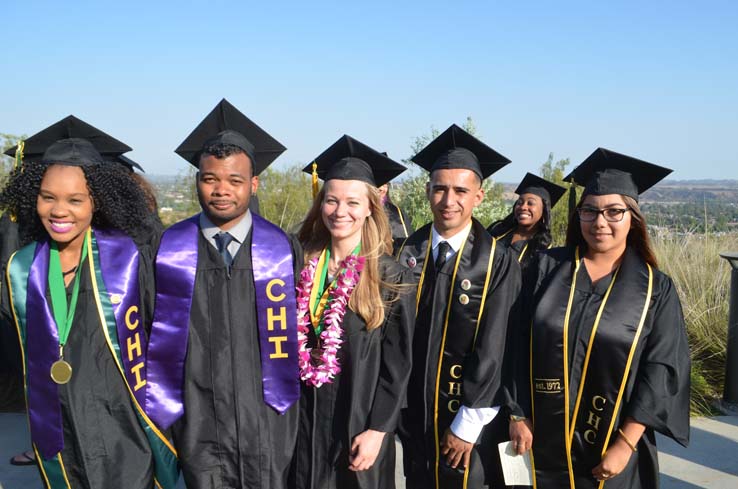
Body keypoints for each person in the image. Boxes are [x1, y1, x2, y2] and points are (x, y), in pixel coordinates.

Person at [0, 120, 176, 488]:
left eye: (75, 200)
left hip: (125, 434)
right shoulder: (22, 271)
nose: (59, 211)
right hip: (60, 434)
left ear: (97, 201)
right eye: (48, 197)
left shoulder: (131, 261)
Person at [144, 99, 302, 489]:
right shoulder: (168, 249)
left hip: (268, 424)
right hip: (198, 424)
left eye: (234, 180)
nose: (221, 190)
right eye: (209, 178)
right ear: (197, 180)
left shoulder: (282, 249)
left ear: (254, 184)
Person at [511, 148, 690, 488]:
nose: (600, 222)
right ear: (578, 216)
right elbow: (514, 345)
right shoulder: (545, 269)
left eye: (614, 211)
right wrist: (517, 414)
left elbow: (663, 368)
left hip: (612, 454)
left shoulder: (655, 289)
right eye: (590, 211)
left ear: (632, 217)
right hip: (538, 446)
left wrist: (625, 443)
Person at [397, 124, 521, 488]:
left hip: (468, 420)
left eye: (460, 191)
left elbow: (496, 347)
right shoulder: (406, 253)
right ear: (427, 191)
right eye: (440, 189)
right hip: (413, 416)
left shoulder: (498, 261)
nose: (448, 200)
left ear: (479, 196)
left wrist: (468, 425)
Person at [290, 135, 414, 489]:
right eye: (331, 200)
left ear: (371, 208)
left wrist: (379, 429)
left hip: (358, 425)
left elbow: (398, 365)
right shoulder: (301, 263)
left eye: (352, 202)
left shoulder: (390, 276)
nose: (340, 211)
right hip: (303, 421)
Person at [487, 172, 566, 271]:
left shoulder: (544, 249)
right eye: (519, 202)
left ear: (543, 210)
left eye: (530, 203)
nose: (523, 207)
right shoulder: (497, 231)